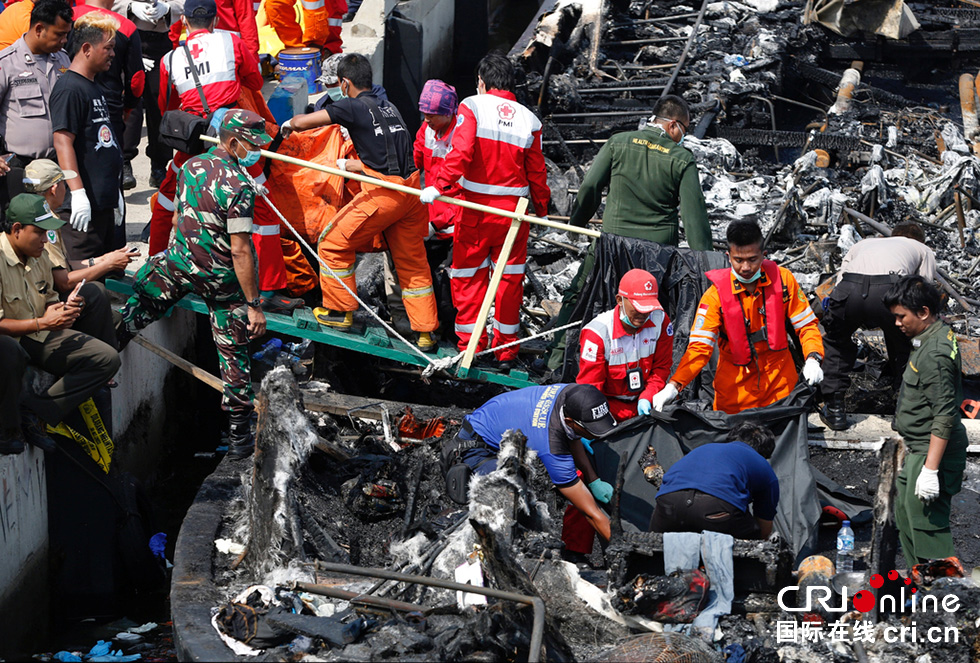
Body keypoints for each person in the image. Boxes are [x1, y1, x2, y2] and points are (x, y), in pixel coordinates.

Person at [120, 109, 269, 460]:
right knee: (233, 351)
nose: (257, 152)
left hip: (182, 265)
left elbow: (176, 217)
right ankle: (239, 435)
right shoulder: (240, 186)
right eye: (252, 145)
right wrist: (254, 304)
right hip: (221, 280)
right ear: (233, 142)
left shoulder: (190, 167)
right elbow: (240, 249)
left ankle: (118, 334)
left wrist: (181, 254)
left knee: (144, 295)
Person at [541, 94, 712, 373]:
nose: (684, 135)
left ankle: (556, 362)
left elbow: (590, 188)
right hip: (656, 255)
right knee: (651, 312)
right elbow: (694, 216)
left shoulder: (618, 142)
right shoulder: (681, 159)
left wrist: (578, 223)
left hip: (610, 247)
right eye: (685, 129)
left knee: (580, 297)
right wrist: (704, 260)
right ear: (672, 126)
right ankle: (646, 370)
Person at [281, 53, 439, 351]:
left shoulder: (351, 105)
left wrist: (289, 122)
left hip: (385, 194)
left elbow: (303, 122)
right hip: (411, 193)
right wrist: (358, 168)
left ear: (345, 83)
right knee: (412, 263)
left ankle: (340, 311)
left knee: (331, 243)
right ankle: (426, 331)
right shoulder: (390, 107)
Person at [419, 51, 550, 369]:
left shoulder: (472, 106)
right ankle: (506, 352)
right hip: (514, 218)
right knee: (509, 281)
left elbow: (461, 152)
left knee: (467, 279)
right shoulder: (530, 120)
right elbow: (537, 172)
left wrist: (440, 185)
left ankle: (470, 348)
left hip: (476, 211)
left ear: (482, 82)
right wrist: (542, 209)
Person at [653, 220, 824, 415]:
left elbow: (807, 326)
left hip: (781, 389)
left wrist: (813, 358)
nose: (745, 267)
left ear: (763, 256)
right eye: (738, 260)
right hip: (734, 394)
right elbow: (699, 349)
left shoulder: (784, 280)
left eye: (752, 259)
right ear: (728, 257)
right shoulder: (714, 296)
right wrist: (674, 386)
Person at [0, 193, 120, 454]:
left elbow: (48, 297)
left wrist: (62, 309)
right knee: (9, 352)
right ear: (17, 229)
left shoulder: (39, 254)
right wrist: (42, 322)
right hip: (14, 339)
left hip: (39, 333)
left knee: (107, 358)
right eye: (40, 233)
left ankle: (37, 412)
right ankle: (10, 428)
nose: (46, 240)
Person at [146, 0, 262, 256]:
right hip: (233, 138)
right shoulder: (232, 42)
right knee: (262, 200)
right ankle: (268, 284)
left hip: (194, 138)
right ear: (216, 21)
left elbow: (166, 106)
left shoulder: (170, 59)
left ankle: (153, 265)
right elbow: (255, 80)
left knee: (167, 199)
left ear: (184, 22)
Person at [441, 383, 617, 545]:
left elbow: (572, 434)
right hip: (473, 448)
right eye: (591, 430)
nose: (596, 435)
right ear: (571, 421)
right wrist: (622, 547)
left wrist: (593, 480)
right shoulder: (550, 442)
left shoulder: (572, 393)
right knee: (508, 501)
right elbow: (591, 513)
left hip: (497, 428)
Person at [820, 222, 937, 430]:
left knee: (836, 343)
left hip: (849, 289)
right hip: (889, 288)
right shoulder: (922, 249)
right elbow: (922, 287)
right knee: (907, 346)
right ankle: (904, 412)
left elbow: (841, 279)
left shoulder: (863, 244)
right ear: (918, 240)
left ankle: (835, 411)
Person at [884, 276, 967, 567]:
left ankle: (945, 597)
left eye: (900, 316)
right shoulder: (932, 336)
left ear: (923, 312)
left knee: (926, 527)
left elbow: (944, 414)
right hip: (919, 447)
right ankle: (921, 588)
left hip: (932, 451)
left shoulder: (934, 354)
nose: (897, 323)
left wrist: (931, 470)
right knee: (907, 515)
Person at [51, 11, 126, 265]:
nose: (113, 54)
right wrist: (78, 193)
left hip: (102, 203)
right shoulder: (69, 88)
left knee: (105, 280)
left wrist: (114, 190)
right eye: (108, 48)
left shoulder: (93, 85)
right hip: (82, 210)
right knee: (84, 285)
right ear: (86, 48)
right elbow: (62, 141)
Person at [651, 421, 779, 539]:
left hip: (668, 504)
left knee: (654, 551)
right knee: (755, 551)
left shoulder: (704, 448)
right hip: (716, 509)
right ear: (765, 453)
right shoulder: (763, 465)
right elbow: (764, 525)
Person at [576, 268, 674, 421]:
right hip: (608, 408)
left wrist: (648, 396)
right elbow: (590, 389)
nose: (643, 314)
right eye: (637, 307)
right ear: (619, 300)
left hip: (646, 405)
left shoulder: (660, 321)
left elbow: (662, 366)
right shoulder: (598, 334)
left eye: (649, 308)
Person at [24, 158, 135, 278]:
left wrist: (103, 260)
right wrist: (108, 264)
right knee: (96, 290)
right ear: (54, 189)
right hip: (46, 293)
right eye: (64, 183)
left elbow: (64, 266)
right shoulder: (46, 224)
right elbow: (63, 281)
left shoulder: (28, 212)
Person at [74, 0, 143, 192]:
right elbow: (136, 80)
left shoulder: (65, 18)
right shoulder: (126, 26)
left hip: (69, 105)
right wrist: (128, 108)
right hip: (108, 110)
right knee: (109, 177)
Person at [113, 0, 184, 188]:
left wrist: (169, 8)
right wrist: (129, 7)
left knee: (160, 105)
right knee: (129, 104)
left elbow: (188, 3)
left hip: (160, 39)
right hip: (127, 33)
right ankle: (124, 162)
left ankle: (159, 165)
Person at [0, 0, 72, 167]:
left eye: (66, 34)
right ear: (39, 29)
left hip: (59, 162)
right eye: (59, 34)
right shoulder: (7, 62)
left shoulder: (63, 59)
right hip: (19, 165)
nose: (64, 40)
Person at [266, 0, 345, 54]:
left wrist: (316, 44)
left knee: (319, 7)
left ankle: (325, 49)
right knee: (275, 5)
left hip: (322, 41)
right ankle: (296, 48)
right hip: (298, 44)